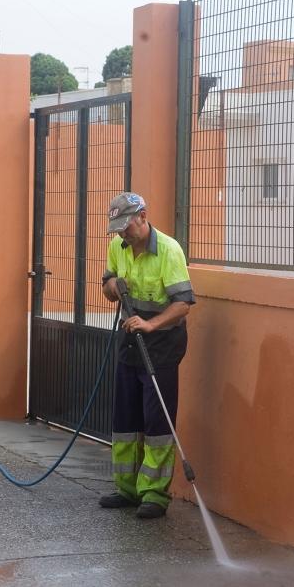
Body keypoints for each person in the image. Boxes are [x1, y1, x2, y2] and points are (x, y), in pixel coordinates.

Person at [98, 192, 195, 519]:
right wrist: (115, 287)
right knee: (125, 419)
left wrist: (152, 324)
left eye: (127, 226)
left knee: (157, 422)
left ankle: (154, 493)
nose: (123, 233)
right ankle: (126, 487)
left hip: (162, 346)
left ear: (143, 215)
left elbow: (183, 304)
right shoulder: (118, 247)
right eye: (118, 229)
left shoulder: (168, 250)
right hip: (129, 342)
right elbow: (107, 283)